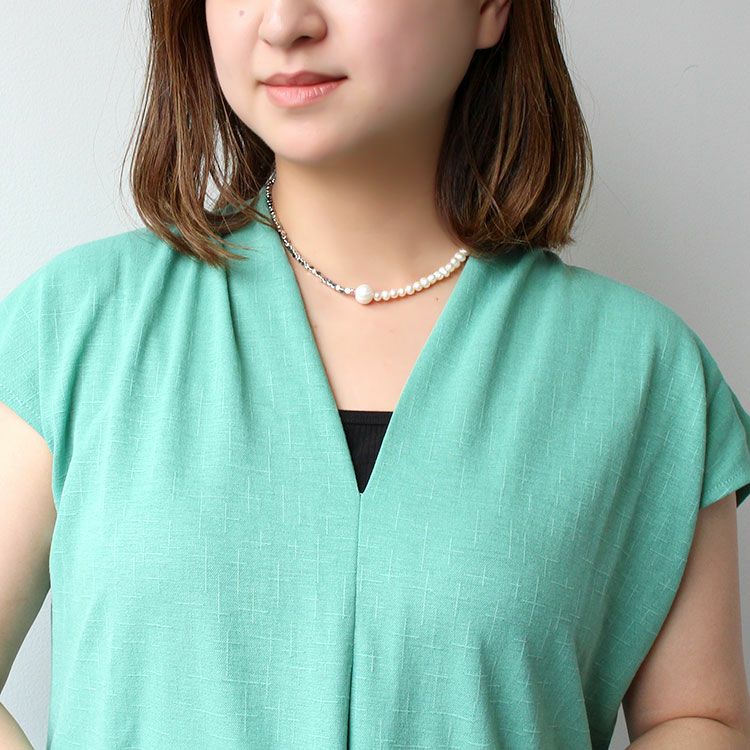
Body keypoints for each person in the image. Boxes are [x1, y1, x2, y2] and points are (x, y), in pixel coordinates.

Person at [1, 1, 749, 748]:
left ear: (491, 8)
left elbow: (695, 717)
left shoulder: (644, 374)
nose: (283, 22)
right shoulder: (76, 327)